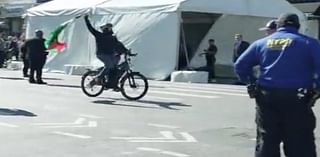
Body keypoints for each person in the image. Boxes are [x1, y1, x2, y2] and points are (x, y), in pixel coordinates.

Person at [235, 13, 320, 157]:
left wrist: (250, 82)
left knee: (267, 140)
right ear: (297, 26)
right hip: (298, 98)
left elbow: (240, 65)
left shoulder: (261, 43)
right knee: (300, 141)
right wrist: (317, 88)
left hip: (266, 97)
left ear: (279, 26)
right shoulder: (309, 43)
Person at [84, 14, 128, 90]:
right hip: (102, 54)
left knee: (116, 67)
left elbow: (119, 45)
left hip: (110, 55)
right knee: (109, 66)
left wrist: (126, 51)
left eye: (111, 28)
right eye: (109, 28)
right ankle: (97, 78)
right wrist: (86, 20)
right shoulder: (99, 35)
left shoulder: (112, 37)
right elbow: (91, 29)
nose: (111, 29)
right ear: (106, 29)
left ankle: (112, 83)